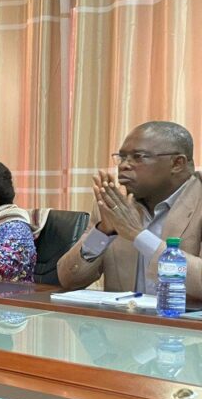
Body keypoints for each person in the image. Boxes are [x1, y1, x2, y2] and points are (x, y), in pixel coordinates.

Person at [58, 121, 202, 297]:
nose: (123, 165)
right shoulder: (114, 204)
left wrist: (138, 235)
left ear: (177, 163)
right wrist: (103, 232)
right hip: (125, 315)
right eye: (122, 157)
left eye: (138, 157)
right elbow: (68, 280)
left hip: (181, 315)